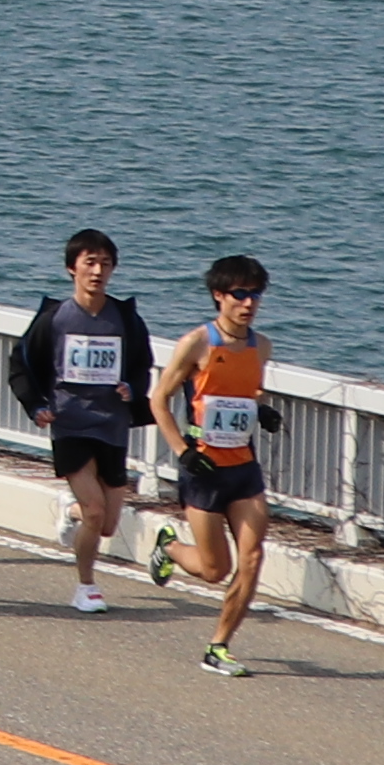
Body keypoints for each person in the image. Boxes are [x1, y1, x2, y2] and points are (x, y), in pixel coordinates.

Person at [4, 231, 157, 613]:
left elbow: (141, 366)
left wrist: (132, 389)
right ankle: (86, 587)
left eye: (105, 264)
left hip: (112, 425)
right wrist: (36, 405)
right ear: (72, 268)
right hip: (70, 423)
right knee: (95, 511)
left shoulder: (124, 318)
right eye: (90, 263)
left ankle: (68, 511)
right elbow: (19, 364)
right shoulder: (55, 318)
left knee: (106, 524)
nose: (98, 271)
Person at [146, 256, 279, 672]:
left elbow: (244, 394)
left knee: (253, 556)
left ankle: (218, 646)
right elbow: (158, 400)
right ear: (219, 296)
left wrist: (263, 411)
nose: (248, 303)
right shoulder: (197, 343)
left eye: (255, 294)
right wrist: (182, 452)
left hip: (243, 466)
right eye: (239, 294)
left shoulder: (262, 346)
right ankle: (168, 547)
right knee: (213, 569)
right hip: (202, 467)